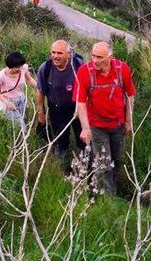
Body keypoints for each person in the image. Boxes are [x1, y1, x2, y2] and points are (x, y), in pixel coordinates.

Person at [74, 41, 136, 195]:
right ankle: (111, 200)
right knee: (104, 164)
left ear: (110, 57)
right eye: (93, 56)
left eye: (100, 57)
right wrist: (86, 128)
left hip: (118, 125)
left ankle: (108, 187)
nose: (95, 60)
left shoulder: (122, 70)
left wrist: (129, 121)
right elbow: (80, 102)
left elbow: (130, 96)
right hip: (97, 126)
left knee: (117, 160)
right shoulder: (84, 72)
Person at [36, 40, 85, 158]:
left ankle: (83, 160)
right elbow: (40, 91)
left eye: (60, 53)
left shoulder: (78, 65)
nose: (55, 56)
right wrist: (41, 112)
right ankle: (61, 162)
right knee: (60, 138)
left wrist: (82, 109)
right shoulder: (45, 68)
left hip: (77, 107)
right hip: (56, 108)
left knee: (82, 137)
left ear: (69, 54)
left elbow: (86, 88)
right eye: (53, 52)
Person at [0, 52, 37, 127]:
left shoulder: (24, 68)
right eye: (17, 67)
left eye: (21, 66)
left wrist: (39, 87)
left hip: (21, 99)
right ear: (10, 66)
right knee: (20, 126)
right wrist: (7, 103)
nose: (20, 69)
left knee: (23, 119)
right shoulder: (2, 75)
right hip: (8, 101)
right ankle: (21, 136)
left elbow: (29, 79)